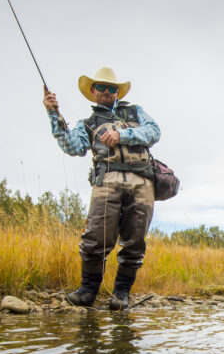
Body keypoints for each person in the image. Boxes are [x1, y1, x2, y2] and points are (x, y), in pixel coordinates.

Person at [43, 66, 161, 309]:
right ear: (93, 91)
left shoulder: (136, 112)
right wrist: (54, 114)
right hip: (106, 182)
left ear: (117, 92)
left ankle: (121, 294)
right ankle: (88, 291)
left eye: (112, 88)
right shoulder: (86, 123)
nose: (107, 91)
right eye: (102, 87)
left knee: (135, 242)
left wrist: (122, 136)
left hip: (142, 184)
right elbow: (73, 147)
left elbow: (154, 131)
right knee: (95, 239)